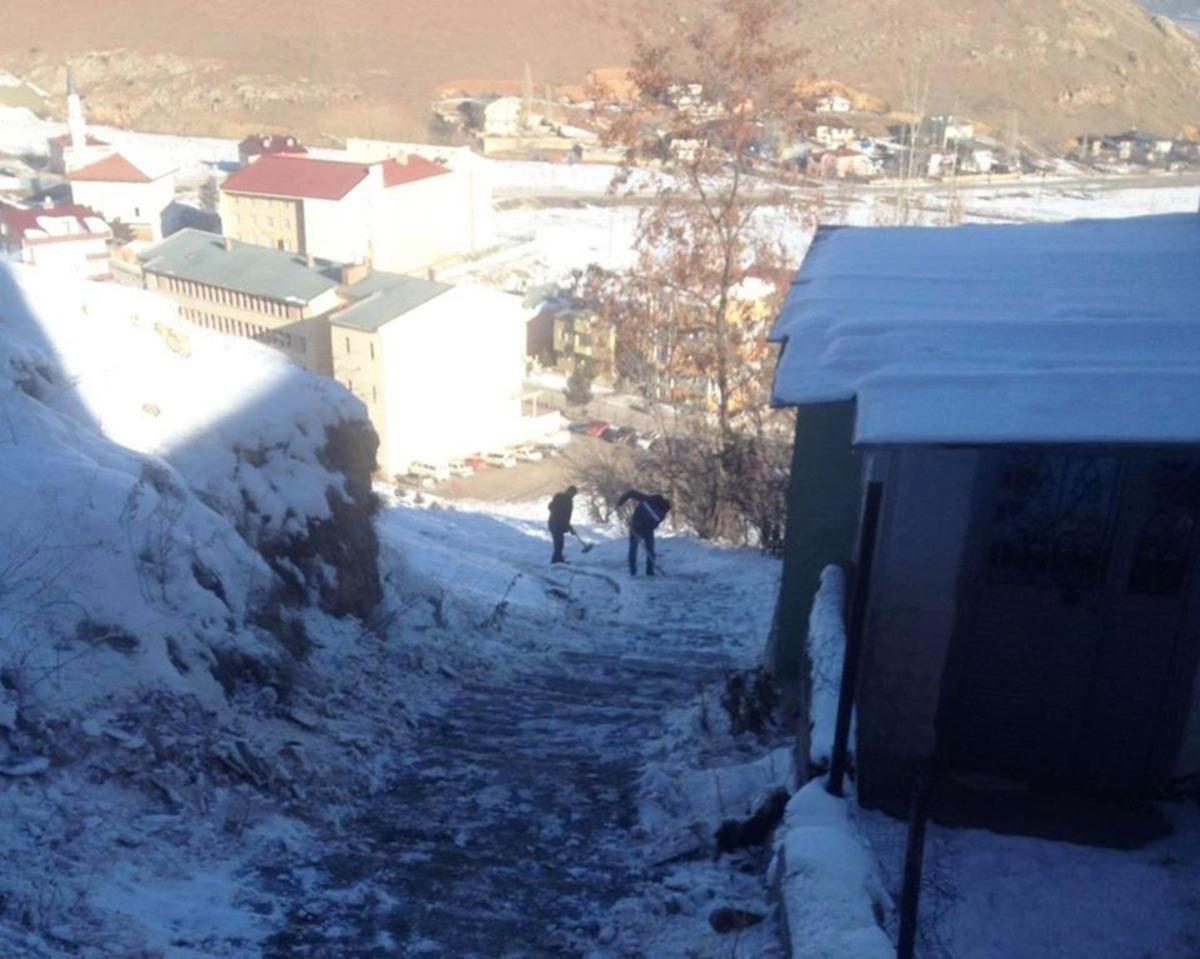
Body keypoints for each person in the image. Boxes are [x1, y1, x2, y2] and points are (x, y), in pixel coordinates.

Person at [617, 489, 671, 576]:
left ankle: (649, 571)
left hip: (647, 529)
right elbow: (631, 493)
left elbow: (654, 524)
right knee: (634, 549)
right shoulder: (650, 500)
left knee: (649, 550)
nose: (663, 513)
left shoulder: (660, 513)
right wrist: (620, 502)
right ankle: (633, 572)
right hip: (636, 526)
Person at [547, 485, 578, 564]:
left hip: (558, 524)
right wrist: (566, 523)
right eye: (573, 494)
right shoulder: (561, 498)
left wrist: (568, 526)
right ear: (569, 492)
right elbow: (552, 507)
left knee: (559, 543)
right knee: (558, 543)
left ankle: (557, 560)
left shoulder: (568, 500)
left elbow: (565, 516)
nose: (574, 496)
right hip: (555, 524)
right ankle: (556, 561)